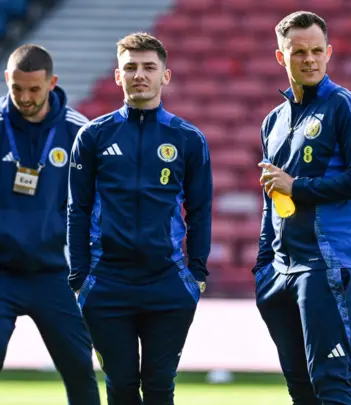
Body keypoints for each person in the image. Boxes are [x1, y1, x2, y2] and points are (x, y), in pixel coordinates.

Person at [67, 32, 212, 405]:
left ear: (166, 75)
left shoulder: (188, 139)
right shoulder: (93, 136)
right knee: (121, 387)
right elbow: (77, 209)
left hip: (167, 281)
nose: (139, 75)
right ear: (118, 76)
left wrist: (196, 274)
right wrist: (80, 278)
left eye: (149, 67)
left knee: (160, 387)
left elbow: (200, 210)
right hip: (107, 283)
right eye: (130, 67)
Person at [254, 11, 351, 405]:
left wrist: (299, 186)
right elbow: (271, 197)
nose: (308, 59)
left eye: (316, 51)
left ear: (328, 54)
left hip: (326, 263)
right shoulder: (273, 121)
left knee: (331, 383)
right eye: (298, 52)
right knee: (301, 389)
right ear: (281, 57)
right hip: (279, 271)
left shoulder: (345, 106)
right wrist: (263, 263)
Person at [0, 44, 100, 405]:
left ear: (52, 82)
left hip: (54, 274)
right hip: (1, 273)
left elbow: (96, 205)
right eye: (17, 89)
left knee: (79, 370)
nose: (24, 98)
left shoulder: (79, 133)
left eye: (34, 89)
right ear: (7, 80)